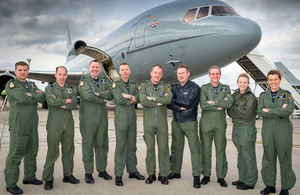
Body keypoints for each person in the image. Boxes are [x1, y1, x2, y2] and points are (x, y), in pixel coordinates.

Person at [4, 61, 45, 194]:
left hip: (32, 125)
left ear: (28, 71)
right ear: (15, 71)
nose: (23, 72)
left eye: (25, 70)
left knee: (32, 151)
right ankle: (10, 184)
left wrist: (30, 95)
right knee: (16, 154)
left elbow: (42, 97)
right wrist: (33, 96)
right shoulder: (12, 84)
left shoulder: (32, 84)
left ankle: (29, 177)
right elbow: (21, 98)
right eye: (20, 70)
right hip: (19, 125)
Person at [257, 70, 296, 195]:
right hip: (267, 130)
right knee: (268, 158)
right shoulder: (263, 95)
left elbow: (288, 111)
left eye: (275, 79)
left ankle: (285, 187)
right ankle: (270, 185)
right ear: (268, 81)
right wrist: (278, 110)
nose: (273, 82)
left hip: (283, 130)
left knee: (285, 158)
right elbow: (259, 111)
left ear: (280, 80)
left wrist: (268, 110)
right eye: (270, 79)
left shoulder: (287, 95)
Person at [42, 66, 80, 190]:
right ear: (55, 75)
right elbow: (51, 103)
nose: (62, 77)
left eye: (64, 75)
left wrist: (62, 102)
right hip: (54, 125)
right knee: (52, 152)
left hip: (68, 124)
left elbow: (74, 104)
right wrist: (66, 102)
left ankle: (68, 175)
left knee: (69, 151)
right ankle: (48, 178)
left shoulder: (70, 89)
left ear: (67, 75)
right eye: (60, 74)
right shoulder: (49, 89)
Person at [166, 64, 202, 188]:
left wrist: (174, 100)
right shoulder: (174, 87)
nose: (181, 75)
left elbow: (189, 103)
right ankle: (175, 171)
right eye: (179, 73)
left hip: (189, 122)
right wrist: (178, 106)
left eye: (183, 73)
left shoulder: (195, 87)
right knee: (176, 148)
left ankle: (196, 176)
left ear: (188, 74)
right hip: (176, 122)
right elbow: (167, 103)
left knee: (195, 149)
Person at [78, 60, 114, 184]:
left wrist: (99, 94)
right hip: (88, 120)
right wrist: (102, 99)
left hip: (102, 120)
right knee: (88, 145)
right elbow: (87, 95)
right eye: (93, 67)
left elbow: (111, 94)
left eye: (97, 67)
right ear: (89, 68)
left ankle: (102, 170)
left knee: (102, 145)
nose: (95, 69)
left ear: (100, 69)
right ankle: (88, 172)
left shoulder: (104, 81)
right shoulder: (84, 81)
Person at [111, 62, 145, 186]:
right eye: (122, 70)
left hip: (132, 118)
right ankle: (118, 174)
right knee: (121, 146)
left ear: (130, 71)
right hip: (121, 119)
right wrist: (131, 99)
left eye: (127, 69)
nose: (125, 71)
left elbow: (139, 98)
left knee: (132, 145)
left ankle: (132, 170)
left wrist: (128, 96)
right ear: (119, 72)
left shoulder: (133, 84)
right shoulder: (116, 84)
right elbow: (118, 99)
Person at [199, 65, 233, 187]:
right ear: (209, 75)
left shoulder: (226, 88)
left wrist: (213, 103)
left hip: (220, 123)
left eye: (217, 73)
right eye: (212, 74)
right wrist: (220, 105)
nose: (215, 76)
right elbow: (203, 104)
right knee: (206, 150)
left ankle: (221, 176)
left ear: (220, 75)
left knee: (220, 149)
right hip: (206, 124)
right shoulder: (204, 88)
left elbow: (229, 102)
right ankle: (206, 174)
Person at [139, 64, 173, 185]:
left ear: (162, 75)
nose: (157, 75)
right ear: (151, 73)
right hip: (148, 123)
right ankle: (151, 174)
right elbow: (143, 100)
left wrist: (152, 99)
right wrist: (159, 101)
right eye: (155, 72)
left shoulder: (165, 86)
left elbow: (168, 99)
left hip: (162, 123)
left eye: (159, 73)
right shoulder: (144, 86)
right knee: (150, 149)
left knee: (163, 148)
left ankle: (163, 174)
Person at [227, 73, 258, 190]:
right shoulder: (235, 94)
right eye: (240, 82)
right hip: (236, 127)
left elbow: (247, 114)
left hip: (247, 128)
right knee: (241, 154)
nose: (242, 84)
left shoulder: (251, 97)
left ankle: (250, 181)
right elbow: (228, 112)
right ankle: (242, 178)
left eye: (245, 82)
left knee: (248, 155)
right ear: (237, 83)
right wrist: (236, 110)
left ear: (248, 84)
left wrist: (234, 109)